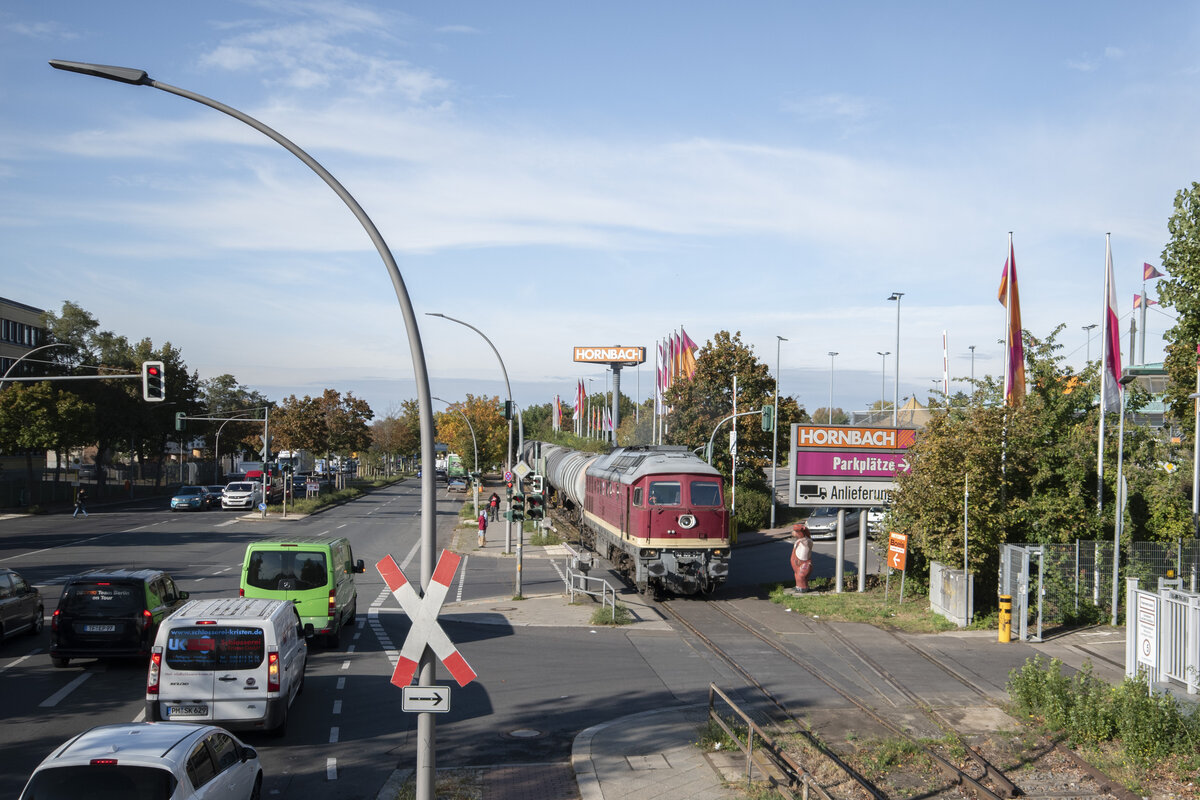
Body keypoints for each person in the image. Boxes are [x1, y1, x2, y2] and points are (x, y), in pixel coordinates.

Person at [790, 522, 812, 593]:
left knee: (801, 576)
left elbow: (808, 543)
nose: (794, 533)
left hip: (804, 564)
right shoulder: (799, 541)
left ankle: (803, 588)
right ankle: (798, 587)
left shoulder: (806, 541)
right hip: (798, 565)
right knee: (797, 575)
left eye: (796, 532)